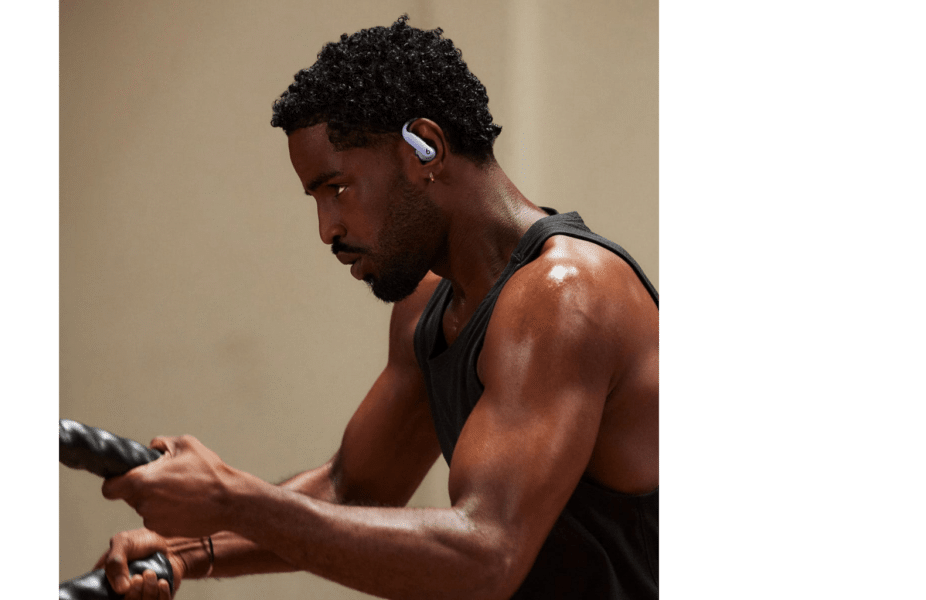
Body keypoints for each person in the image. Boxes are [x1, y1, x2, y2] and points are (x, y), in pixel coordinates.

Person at [95, 15, 659, 600]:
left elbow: (487, 555)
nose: (327, 229)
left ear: (425, 149)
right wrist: (187, 550)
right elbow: (353, 490)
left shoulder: (565, 296)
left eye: (337, 188)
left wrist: (232, 499)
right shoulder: (429, 305)